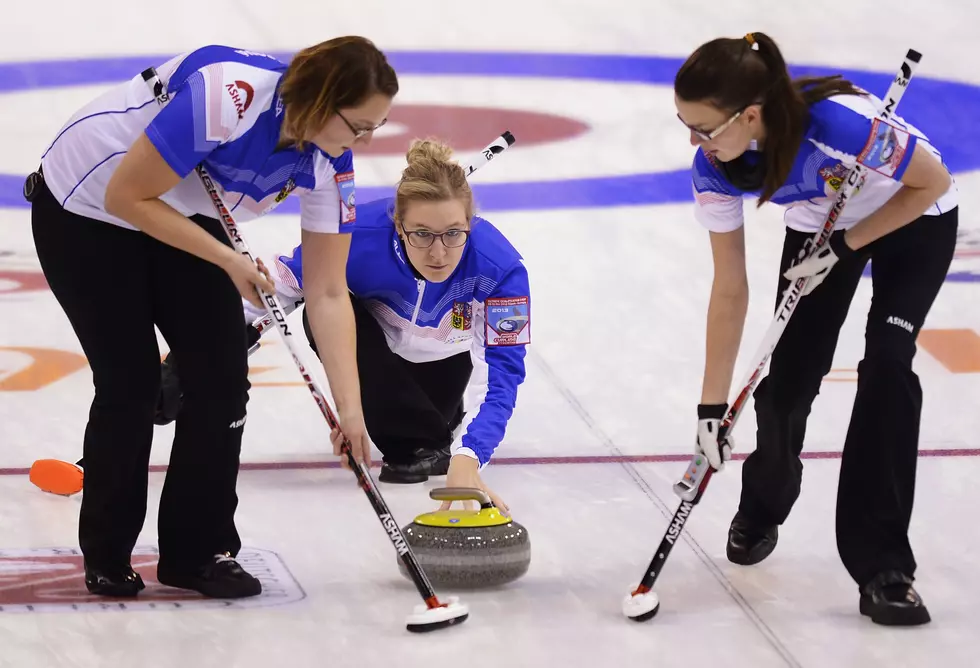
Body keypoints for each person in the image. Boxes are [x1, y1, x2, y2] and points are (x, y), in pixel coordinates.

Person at [26, 38, 398, 599]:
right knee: (132, 381)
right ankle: (107, 552)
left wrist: (350, 411)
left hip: (179, 214)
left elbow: (326, 291)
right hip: (89, 209)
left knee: (222, 380)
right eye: (359, 125)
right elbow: (129, 196)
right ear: (322, 101)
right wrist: (227, 258)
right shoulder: (230, 96)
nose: (363, 141)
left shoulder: (330, 161)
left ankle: (198, 553)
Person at [30, 138, 530, 514]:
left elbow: (503, 374)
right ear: (398, 225)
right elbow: (277, 291)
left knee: (447, 428)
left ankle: (429, 439)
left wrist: (470, 454)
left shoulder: (499, 269)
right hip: (377, 362)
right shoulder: (361, 238)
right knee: (323, 302)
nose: (438, 252)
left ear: (471, 224)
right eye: (421, 234)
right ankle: (417, 445)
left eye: (453, 234)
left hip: (440, 372)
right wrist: (192, 365)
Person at [675, 32, 957, 626]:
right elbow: (730, 289)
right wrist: (710, 408)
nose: (695, 142)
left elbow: (929, 183)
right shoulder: (716, 168)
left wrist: (850, 246)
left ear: (749, 114)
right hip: (821, 225)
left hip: (912, 214)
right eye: (684, 124)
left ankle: (884, 567)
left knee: (887, 360)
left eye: (704, 128)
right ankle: (765, 502)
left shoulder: (843, 129)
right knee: (787, 384)